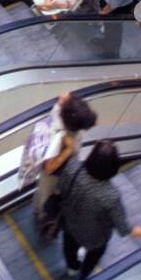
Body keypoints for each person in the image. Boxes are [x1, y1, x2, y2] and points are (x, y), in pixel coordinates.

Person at [58, 140, 141, 280]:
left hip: (69, 223)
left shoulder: (72, 167)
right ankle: (82, 278)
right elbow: (124, 229)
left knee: (69, 247)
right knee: (93, 257)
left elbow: (61, 190)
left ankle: (72, 268)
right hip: (95, 238)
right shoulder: (111, 196)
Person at [20, 92, 97, 225]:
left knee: (44, 191)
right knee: (47, 193)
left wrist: (65, 100)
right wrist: (68, 151)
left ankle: (39, 208)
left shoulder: (57, 116)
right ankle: (43, 214)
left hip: (57, 171)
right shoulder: (59, 136)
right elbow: (49, 168)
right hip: (54, 173)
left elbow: (62, 100)